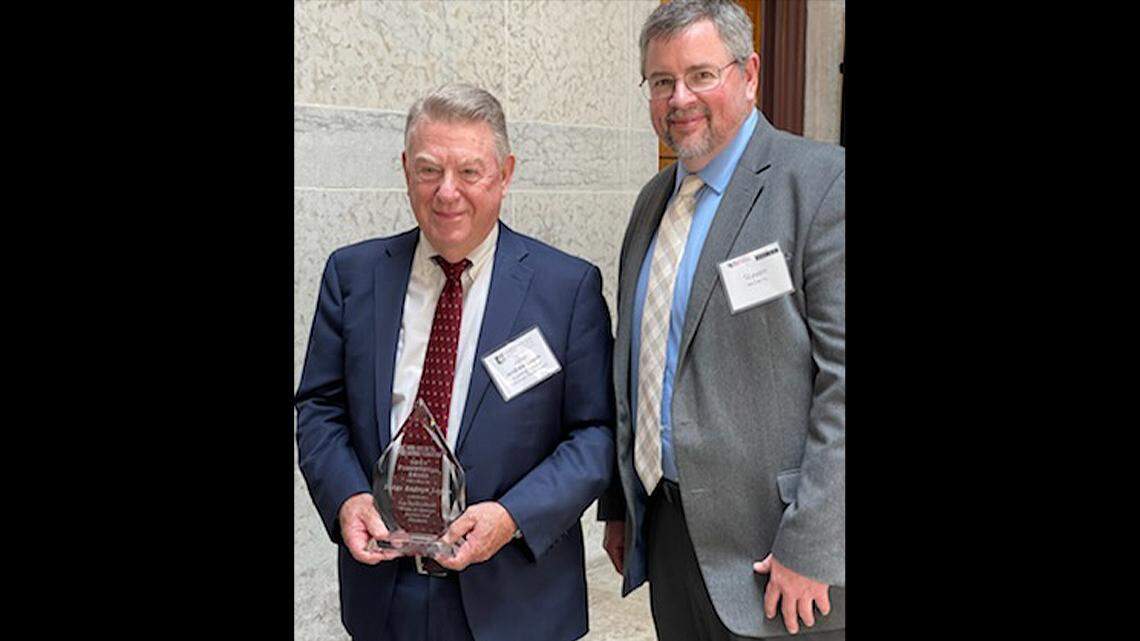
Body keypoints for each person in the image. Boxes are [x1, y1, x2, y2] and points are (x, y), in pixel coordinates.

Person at [295, 83, 615, 641]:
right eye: (428, 170)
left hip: (516, 596)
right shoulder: (353, 276)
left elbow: (595, 434)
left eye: (469, 172)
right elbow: (320, 408)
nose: (447, 192)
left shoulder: (567, 289)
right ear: (405, 170)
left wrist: (512, 518)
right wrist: (347, 498)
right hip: (384, 593)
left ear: (505, 174)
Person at [598, 1, 845, 639]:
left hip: (779, 556)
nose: (679, 98)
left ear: (749, 74)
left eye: (701, 75)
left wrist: (813, 545)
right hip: (670, 531)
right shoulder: (652, 201)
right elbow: (638, 361)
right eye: (662, 81)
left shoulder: (821, 183)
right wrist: (623, 504)